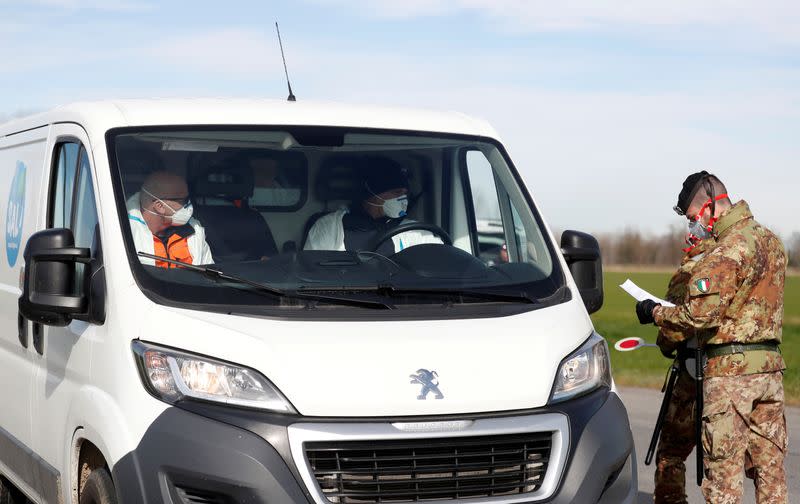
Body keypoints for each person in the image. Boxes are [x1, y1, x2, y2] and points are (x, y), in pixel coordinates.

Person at [636, 171, 787, 504]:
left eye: (693, 218)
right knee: (770, 474)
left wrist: (654, 313)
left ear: (710, 207)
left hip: (730, 376)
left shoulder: (724, 252)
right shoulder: (773, 243)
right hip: (771, 372)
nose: (694, 226)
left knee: (724, 481)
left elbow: (697, 316)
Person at [304, 157, 442, 254]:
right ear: (373, 193)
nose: (403, 199)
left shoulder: (415, 231)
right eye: (396, 192)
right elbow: (314, 274)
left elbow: (438, 262)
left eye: (405, 193)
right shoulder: (329, 227)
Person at [126, 171, 214, 267]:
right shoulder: (125, 235)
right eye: (183, 200)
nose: (189, 204)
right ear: (160, 206)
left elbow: (208, 276)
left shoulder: (194, 230)